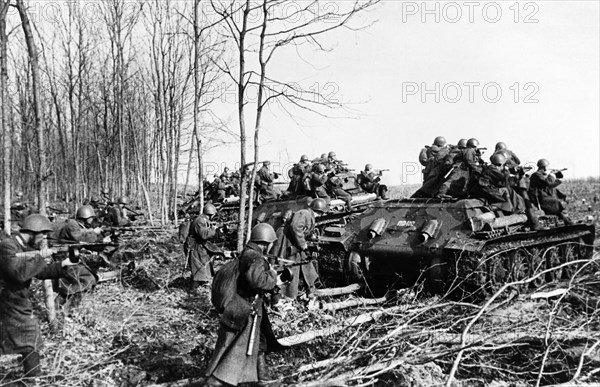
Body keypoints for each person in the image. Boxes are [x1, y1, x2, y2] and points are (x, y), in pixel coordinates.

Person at [204, 223, 283, 387]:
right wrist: (273, 276)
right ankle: (217, 381)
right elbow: (258, 281)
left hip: (248, 306)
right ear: (266, 242)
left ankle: (262, 376)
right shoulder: (255, 257)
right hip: (246, 309)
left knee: (259, 340)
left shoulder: (248, 254)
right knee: (235, 348)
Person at [0, 214, 77, 378]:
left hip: (15, 299)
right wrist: (40, 256)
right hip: (7, 299)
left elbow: (39, 272)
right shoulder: (8, 246)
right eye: (42, 234)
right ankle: (33, 378)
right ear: (33, 231)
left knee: (27, 339)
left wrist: (63, 264)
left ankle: (33, 377)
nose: (44, 238)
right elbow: (18, 274)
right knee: (29, 336)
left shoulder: (24, 247)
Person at [272, 198, 328, 300]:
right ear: (319, 211)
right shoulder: (304, 213)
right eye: (321, 213)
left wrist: (312, 238)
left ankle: (309, 288)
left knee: (305, 261)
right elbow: (296, 228)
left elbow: (304, 230)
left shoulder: (310, 216)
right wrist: (303, 245)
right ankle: (284, 294)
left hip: (293, 240)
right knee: (288, 265)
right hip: (285, 240)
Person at [50, 205, 105, 304]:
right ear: (86, 217)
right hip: (64, 257)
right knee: (86, 280)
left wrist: (102, 241)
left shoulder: (79, 226)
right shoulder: (72, 224)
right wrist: (93, 232)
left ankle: (62, 309)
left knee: (76, 282)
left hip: (70, 256)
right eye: (91, 218)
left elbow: (88, 243)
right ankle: (70, 309)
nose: (92, 220)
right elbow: (79, 237)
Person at [186, 203, 220, 289]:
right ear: (210, 214)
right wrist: (214, 229)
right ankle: (194, 290)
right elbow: (204, 234)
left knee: (202, 266)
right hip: (195, 248)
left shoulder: (203, 220)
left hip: (199, 247)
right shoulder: (200, 221)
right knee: (198, 269)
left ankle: (201, 284)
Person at [529, 159, 571, 224]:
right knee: (557, 202)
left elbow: (554, 181)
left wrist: (557, 174)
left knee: (560, 198)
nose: (548, 168)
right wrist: (551, 175)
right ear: (544, 167)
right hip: (539, 198)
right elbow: (549, 184)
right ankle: (562, 218)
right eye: (547, 166)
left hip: (543, 195)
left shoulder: (541, 174)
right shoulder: (537, 175)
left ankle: (563, 218)